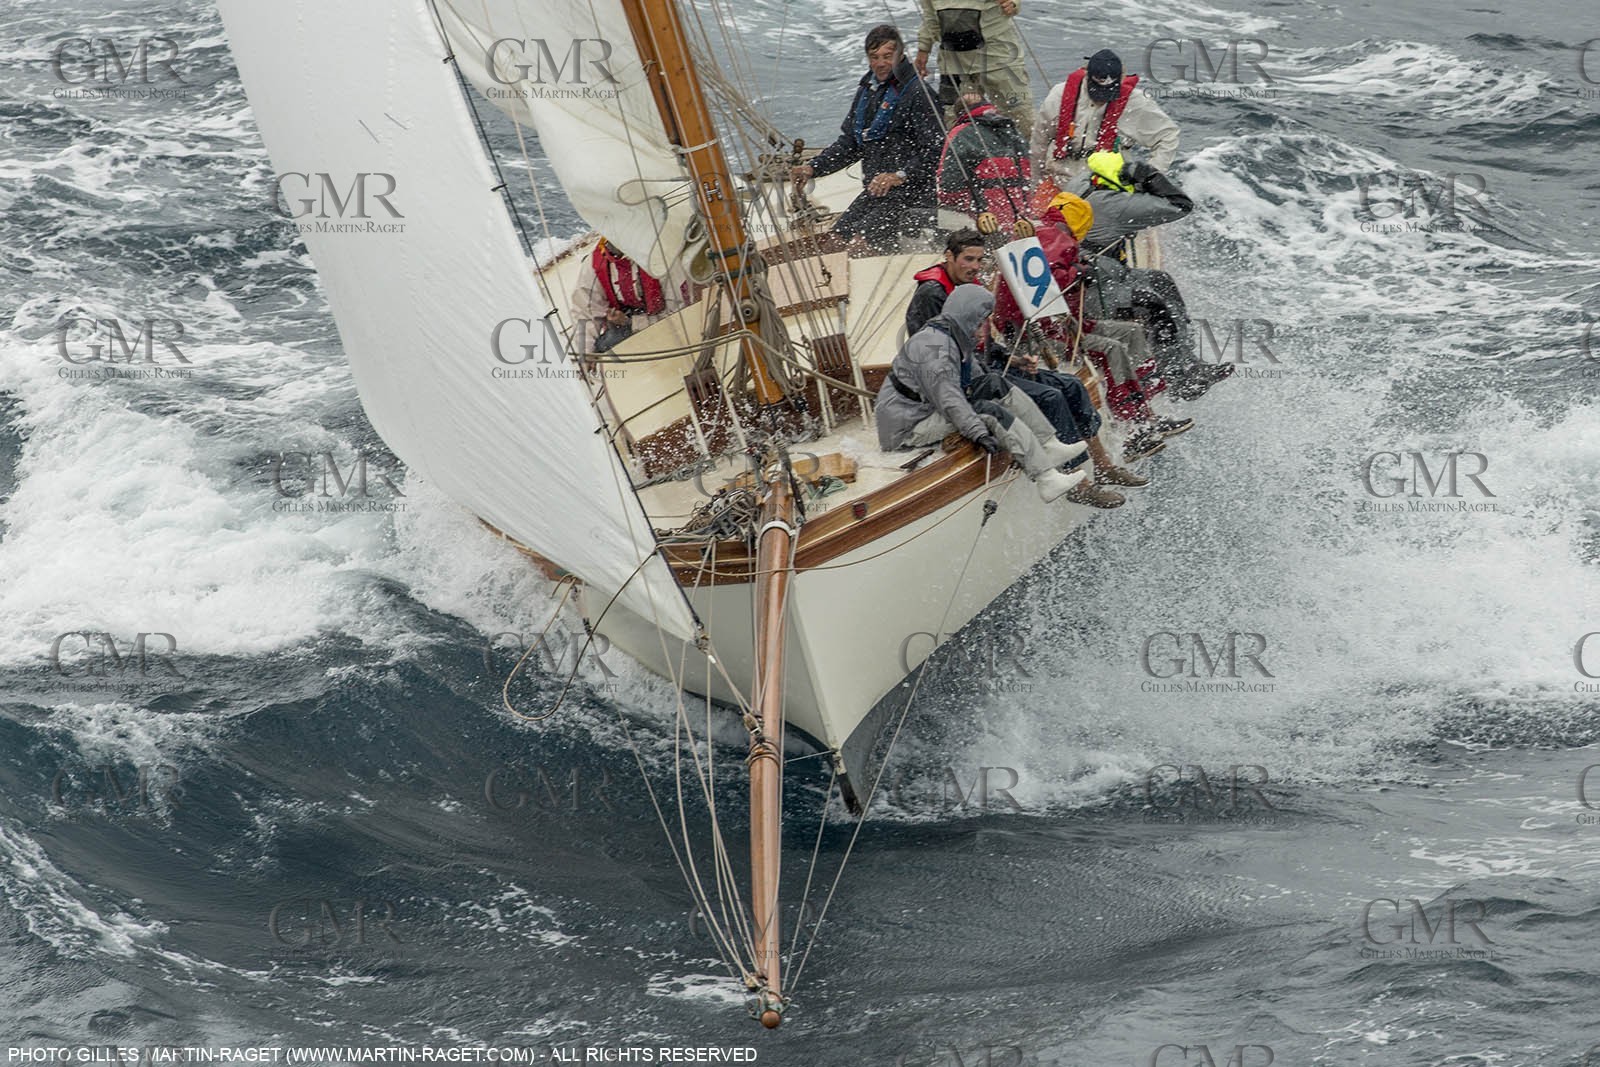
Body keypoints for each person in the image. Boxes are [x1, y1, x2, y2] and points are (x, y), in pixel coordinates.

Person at [905, 228, 1144, 507]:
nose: (974, 267)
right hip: (962, 377)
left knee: (1072, 385)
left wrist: (1013, 359)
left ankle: (1103, 466)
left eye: (979, 260)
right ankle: (1078, 483)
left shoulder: (960, 286)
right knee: (1051, 397)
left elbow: (979, 343)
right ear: (948, 256)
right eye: (967, 259)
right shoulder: (933, 294)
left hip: (984, 363)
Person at [992, 198, 1191, 461]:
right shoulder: (1056, 239)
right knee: (1113, 348)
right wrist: (1077, 272)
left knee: (1131, 331)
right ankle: (1132, 426)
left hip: (1061, 324)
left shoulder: (1045, 232)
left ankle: (1146, 409)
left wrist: (1077, 267)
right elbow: (1049, 280)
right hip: (1037, 334)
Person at [876, 284, 1088, 503]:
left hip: (925, 409)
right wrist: (979, 433)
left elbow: (977, 380)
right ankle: (1046, 478)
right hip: (907, 427)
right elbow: (949, 401)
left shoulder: (952, 336)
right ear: (968, 318)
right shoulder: (933, 350)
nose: (984, 328)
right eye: (981, 321)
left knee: (995, 382)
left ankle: (1049, 445)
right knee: (989, 412)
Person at [791, 25, 944, 255]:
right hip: (876, 191)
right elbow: (851, 143)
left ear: (901, 56)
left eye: (887, 56)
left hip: (913, 192)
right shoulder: (868, 90)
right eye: (874, 57)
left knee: (858, 247)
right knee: (833, 242)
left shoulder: (918, 93)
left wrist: (899, 176)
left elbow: (936, 151)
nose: (880, 63)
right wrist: (813, 168)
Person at [1030, 48, 1179, 188]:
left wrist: (1149, 178)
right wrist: (1036, 184)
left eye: (1108, 92)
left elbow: (1168, 136)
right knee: (1039, 211)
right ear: (1087, 76)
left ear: (1121, 80)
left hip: (1106, 186)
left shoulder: (1137, 103)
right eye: (1096, 90)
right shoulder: (1059, 95)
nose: (1101, 98)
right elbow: (1039, 143)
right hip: (1060, 178)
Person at [913, 0, 1034, 137]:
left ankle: (1030, 156)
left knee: (1021, 118)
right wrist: (923, 48)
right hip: (954, 64)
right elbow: (930, 16)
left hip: (998, 58)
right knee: (956, 125)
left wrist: (1013, 3)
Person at [1066, 150, 1193, 258]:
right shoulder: (1118, 206)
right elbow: (1181, 205)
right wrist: (1151, 176)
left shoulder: (1079, 182)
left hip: (1067, 255)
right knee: (1160, 279)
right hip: (1092, 266)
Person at [935, 93, 1034, 232]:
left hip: (987, 217)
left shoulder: (961, 133)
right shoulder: (1012, 129)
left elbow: (950, 183)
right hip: (1024, 214)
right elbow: (1030, 169)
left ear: (959, 114)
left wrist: (957, 201)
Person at [572, 238, 687, 355]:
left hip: (667, 328)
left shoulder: (663, 255)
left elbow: (681, 313)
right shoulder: (595, 264)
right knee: (603, 345)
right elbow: (585, 313)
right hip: (627, 329)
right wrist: (586, 353)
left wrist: (632, 323)